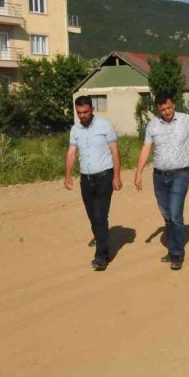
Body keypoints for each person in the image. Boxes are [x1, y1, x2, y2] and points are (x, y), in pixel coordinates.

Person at [134, 93, 189, 270]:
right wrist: (138, 173)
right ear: (158, 109)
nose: (167, 111)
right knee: (167, 215)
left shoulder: (185, 120)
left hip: (180, 175)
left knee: (176, 215)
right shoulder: (153, 125)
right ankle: (172, 248)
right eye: (163, 109)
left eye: (169, 107)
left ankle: (177, 254)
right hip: (159, 177)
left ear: (174, 105)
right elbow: (146, 148)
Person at [64, 95, 122, 271]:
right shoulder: (75, 130)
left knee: (100, 216)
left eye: (85, 112)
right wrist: (67, 175)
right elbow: (71, 153)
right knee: (92, 217)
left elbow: (115, 152)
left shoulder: (105, 126)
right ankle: (102, 242)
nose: (82, 115)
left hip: (105, 176)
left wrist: (117, 176)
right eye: (79, 112)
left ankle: (101, 255)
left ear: (92, 109)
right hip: (86, 179)